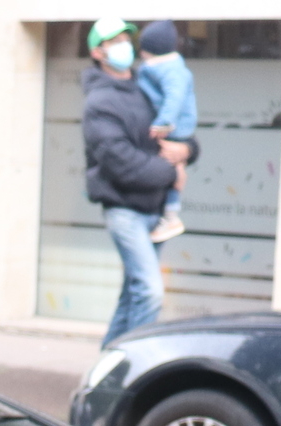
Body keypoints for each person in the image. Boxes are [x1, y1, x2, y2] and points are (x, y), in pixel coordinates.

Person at [81, 18, 191, 342]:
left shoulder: (147, 86)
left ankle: (105, 372)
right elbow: (121, 163)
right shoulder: (99, 102)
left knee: (132, 296)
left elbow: (179, 131)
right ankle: (132, 367)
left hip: (155, 211)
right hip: (124, 210)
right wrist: (173, 172)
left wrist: (185, 150)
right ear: (97, 52)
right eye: (113, 42)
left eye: (125, 39)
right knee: (150, 292)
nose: (123, 47)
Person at [135, 19, 195, 243]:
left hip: (174, 129)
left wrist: (163, 123)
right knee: (175, 169)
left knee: (174, 169)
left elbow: (174, 98)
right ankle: (169, 215)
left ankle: (171, 215)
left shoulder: (170, 71)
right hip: (173, 128)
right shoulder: (161, 69)